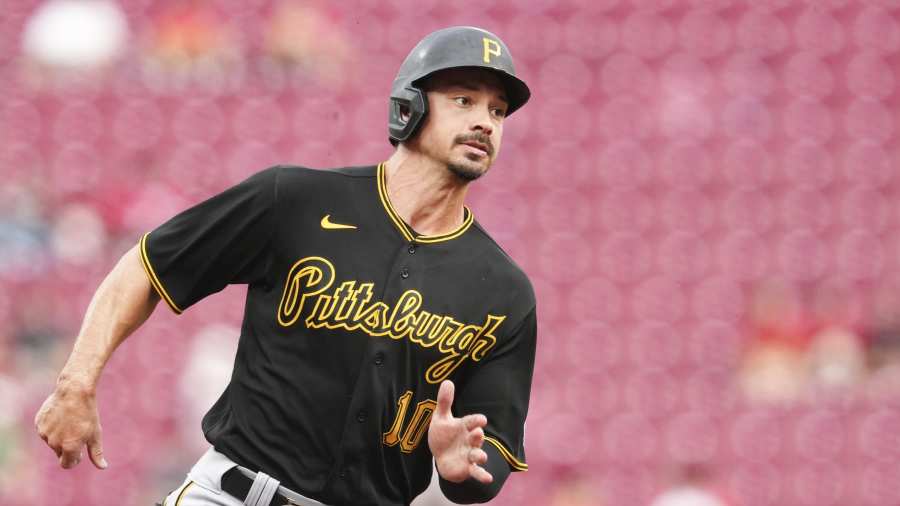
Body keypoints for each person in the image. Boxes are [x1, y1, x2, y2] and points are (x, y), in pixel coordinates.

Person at [34, 26, 537, 506]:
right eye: (464, 100)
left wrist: (464, 465)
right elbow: (148, 267)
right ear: (411, 106)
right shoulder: (295, 200)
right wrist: (76, 382)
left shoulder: (504, 292)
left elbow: (491, 448)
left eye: (497, 111)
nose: (484, 122)